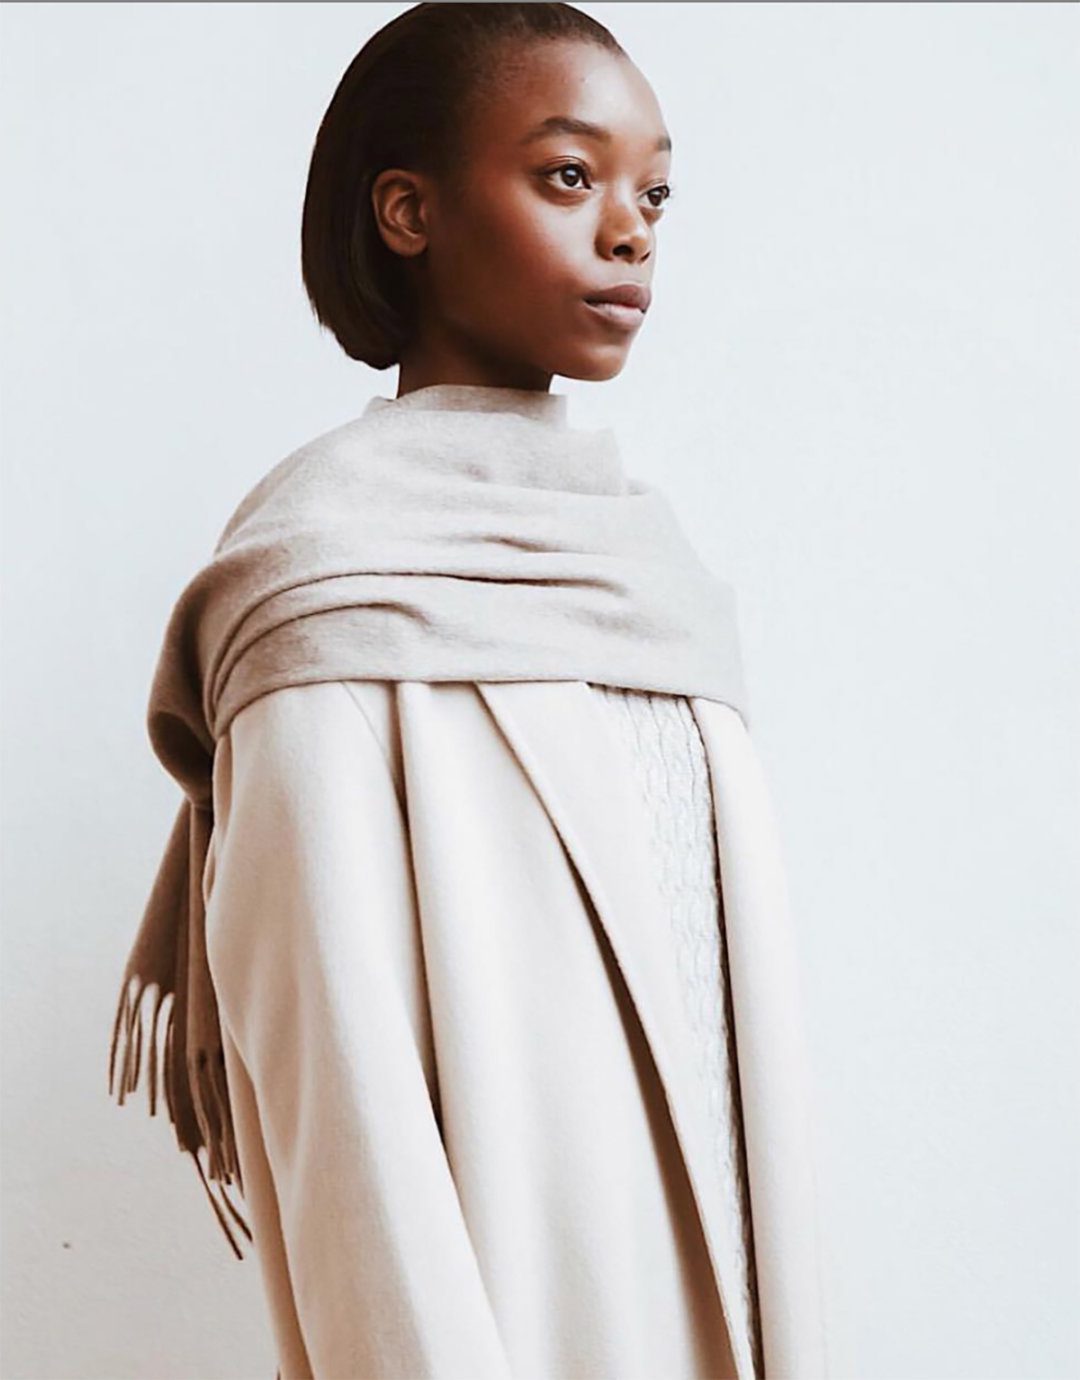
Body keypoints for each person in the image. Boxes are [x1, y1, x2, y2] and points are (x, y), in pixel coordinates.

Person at [108, 5, 831, 1378]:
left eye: (654, 194)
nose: (630, 232)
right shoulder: (325, 589)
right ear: (409, 212)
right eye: (569, 175)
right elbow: (348, 1127)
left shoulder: (656, 583)